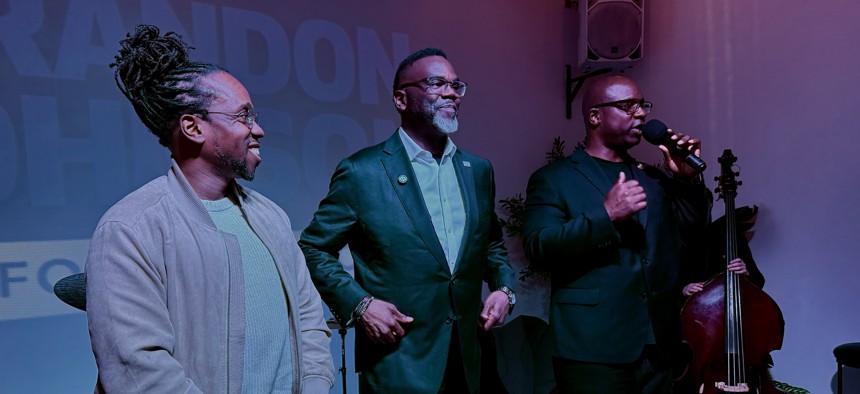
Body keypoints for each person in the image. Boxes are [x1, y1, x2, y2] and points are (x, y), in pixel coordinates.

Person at [85, 25, 334, 393]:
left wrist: (314, 386)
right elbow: (139, 368)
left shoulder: (271, 217)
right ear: (192, 127)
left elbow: (310, 321)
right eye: (243, 116)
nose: (258, 129)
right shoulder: (131, 228)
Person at [299, 47, 516, 393]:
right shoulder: (362, 172)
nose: (450, 92)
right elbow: (312, 248)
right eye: (435, 84)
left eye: (455, 85)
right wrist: (361, 305)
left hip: (471, 359)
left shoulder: (477, 170)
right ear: (401, 99)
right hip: (400, 361)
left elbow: (490, 244)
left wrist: (504, 290)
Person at [522, 75, 711, 393]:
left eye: (642, 106)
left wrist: (687, 182)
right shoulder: (554, 179)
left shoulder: (654, 178)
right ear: (595, 115)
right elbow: (539, 247)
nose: (641, 114)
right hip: (592, 349)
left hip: (659, 346)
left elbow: (692, 233)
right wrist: (606, 216)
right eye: (628, 106)